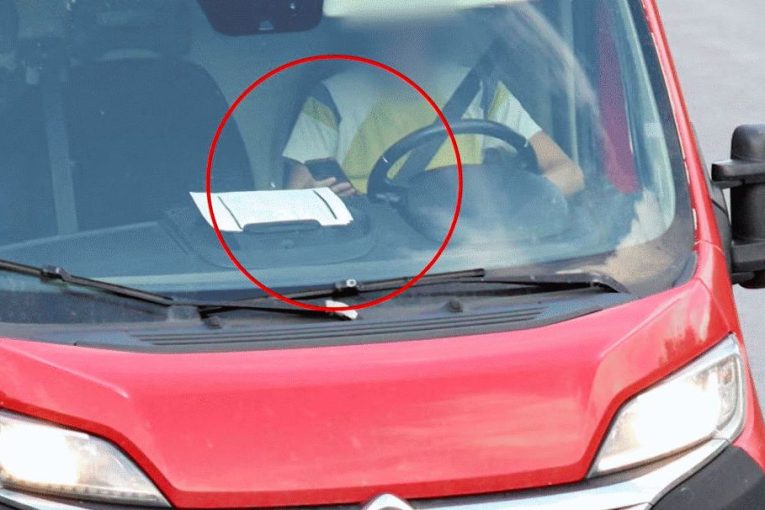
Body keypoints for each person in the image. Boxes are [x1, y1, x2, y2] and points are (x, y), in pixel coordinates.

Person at [283, 27, 584, 199]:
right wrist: (317, 198)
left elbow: (568, 172)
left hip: (471, 245)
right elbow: (296, 193)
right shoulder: (331, 97)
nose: (404, 34)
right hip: (372, 257)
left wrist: (517, 209)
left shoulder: (479, 87)